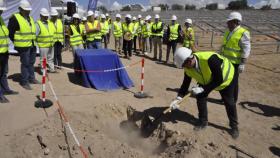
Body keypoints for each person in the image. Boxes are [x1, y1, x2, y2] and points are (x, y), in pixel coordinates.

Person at [171, 47, 239, 139]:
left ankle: (234, 126)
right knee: (200, 96)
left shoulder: (209, 59)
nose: (185, 68)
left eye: (185, 65)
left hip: (227, 78)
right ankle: (203, 121)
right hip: (209, 80)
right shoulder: (188, 68)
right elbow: (185, 84)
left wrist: (203, 88)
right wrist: (178, 99)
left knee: (229, 101)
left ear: (190, 60)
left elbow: (219, 79)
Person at [8, 0, 39, 90]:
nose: (28, 11)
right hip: (23, 46)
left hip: (32, 44)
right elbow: (10, 33)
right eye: (26, 10)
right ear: (20, 9)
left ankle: (31, 78)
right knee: (25, 63)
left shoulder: (30, 18)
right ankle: (24, 81)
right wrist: (17, 42)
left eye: (28, 10)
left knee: (31, 62)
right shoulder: (15, 18)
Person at [220, 12, 251, 104]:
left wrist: (243, 63)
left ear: (236, 22)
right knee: (225, 80)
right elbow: (224, 45)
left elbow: (246, 49)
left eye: (229, 22)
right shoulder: (227, 32)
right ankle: (225, 98)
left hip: (235, 63)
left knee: (233, 82)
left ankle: (233, 99)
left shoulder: (243, 33)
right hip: (226, 61)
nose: (227, 24)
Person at [0, 2, 18, 103]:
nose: (1, 11)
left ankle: (5, 89)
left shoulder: (1, 19)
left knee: (3, 73)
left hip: (4, 51)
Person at [36, 8, 55, 73]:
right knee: (43, 59)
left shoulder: (49, 23)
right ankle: (43, 70)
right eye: (45, 16)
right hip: (43, 45)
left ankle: (51, 69)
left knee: (50, 58)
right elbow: (35, 35)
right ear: (41, 15)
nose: (46, 17)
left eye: (47, 16)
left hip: (50, 44)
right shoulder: (38, 24)